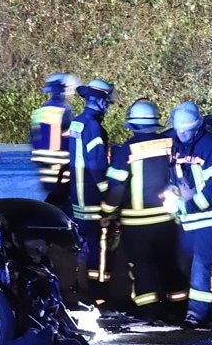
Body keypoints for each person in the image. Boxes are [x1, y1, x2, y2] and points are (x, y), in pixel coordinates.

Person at [101, 99, 187, 322]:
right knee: (170, 264)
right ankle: (178, 309)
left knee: (142, 268)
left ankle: (151, 313)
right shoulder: (170, 144)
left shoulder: (126, 151)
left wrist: (106, 212)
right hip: (168, 219)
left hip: (136, 224)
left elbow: (116, 187)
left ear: (133, 125)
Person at [166, 101, 212, 329]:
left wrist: (188, 205)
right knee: (186, 264)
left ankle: (197, 315)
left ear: (197, 127)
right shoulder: (177, 145)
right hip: (190, 220)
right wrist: (173, 193)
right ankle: (201, 308)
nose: (182, 133)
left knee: (202, 266)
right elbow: (178, 178)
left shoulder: (211, 147)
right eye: (179, 129)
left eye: (186, 129)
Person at [68, 78, 117, 306]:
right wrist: (109, 196)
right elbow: (98, 167)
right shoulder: (95, 128)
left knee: (84, 245)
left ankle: (81, 288)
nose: (108, 106)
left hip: (77, 196)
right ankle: (98, 296)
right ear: (99, 100)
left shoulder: (77, 123)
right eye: (107, 101)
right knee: (100, 248)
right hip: (92, 200)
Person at [30, 73, 78, 208]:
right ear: (63, 90)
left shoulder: (39, 112)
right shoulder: (65, 111)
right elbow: (72, 140)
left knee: (51, 204)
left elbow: (33, 139)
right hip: (61, 169)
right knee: (63, 206)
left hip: (43, 168)